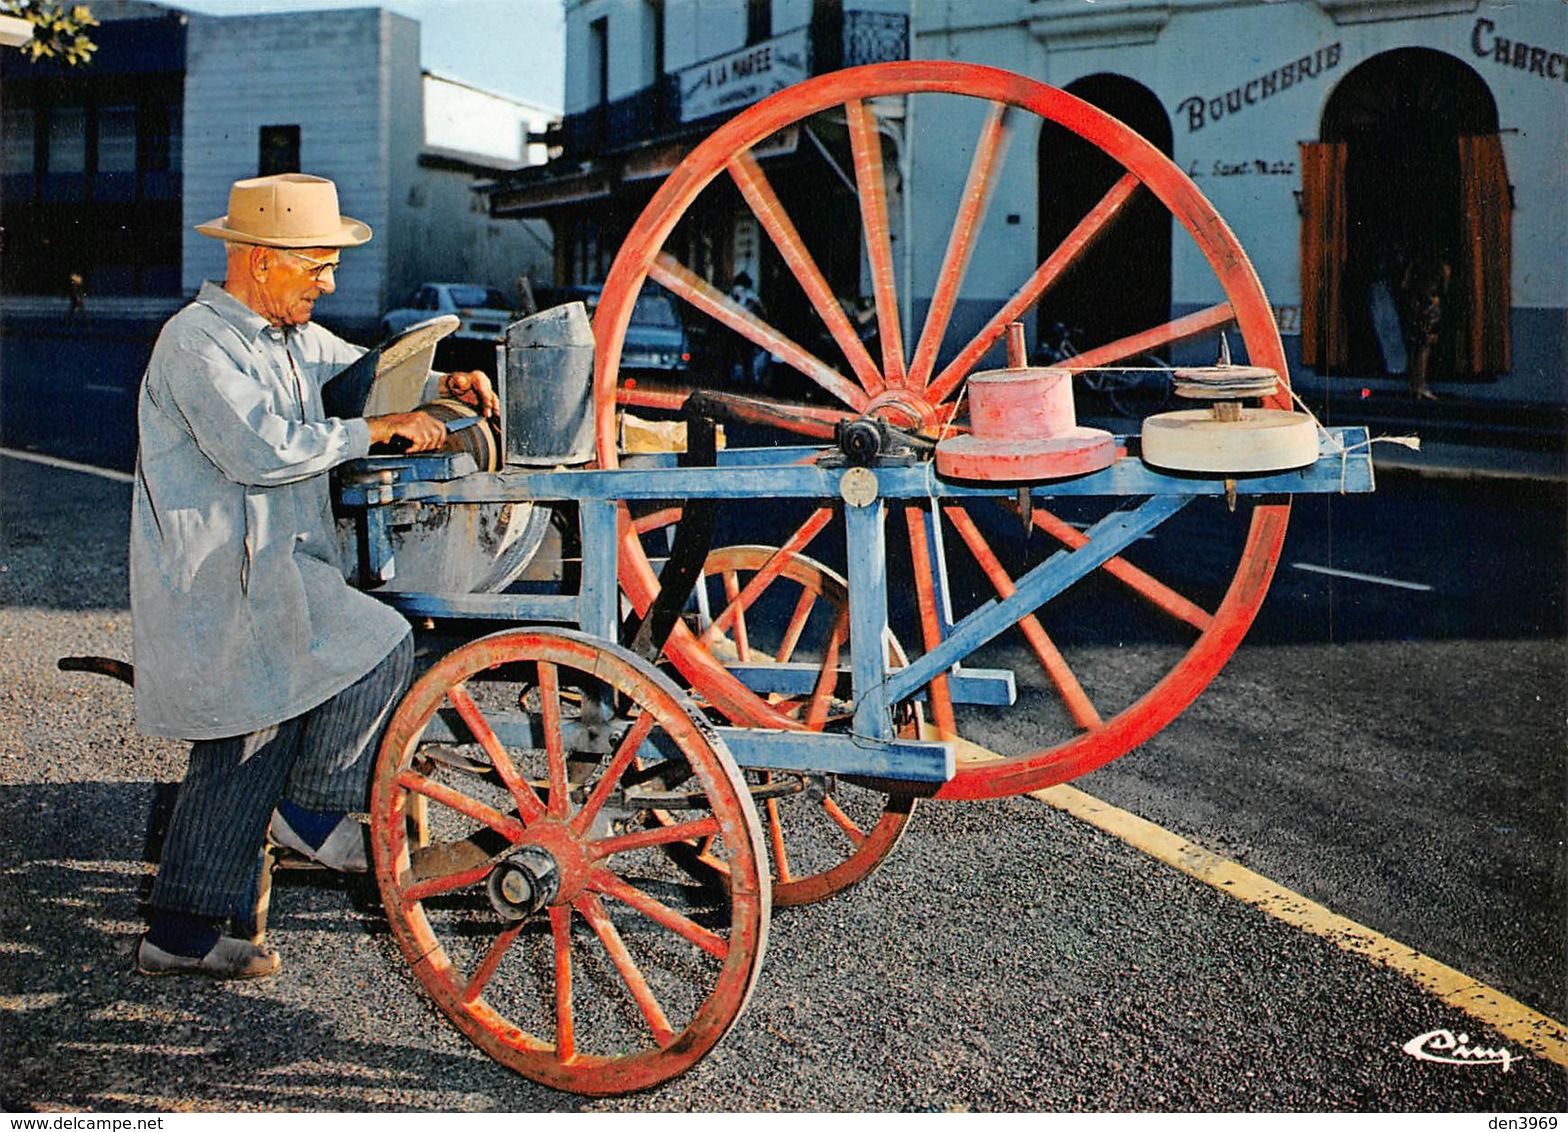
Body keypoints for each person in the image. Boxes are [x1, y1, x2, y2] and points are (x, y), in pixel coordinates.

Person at [129, 173, 497, 979]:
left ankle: (179, 940)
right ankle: (314, 808)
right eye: (317, 267)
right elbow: (260, 449)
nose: (328, 283)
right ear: (262, 261)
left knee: (245, 746)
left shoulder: (285, 336)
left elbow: (367, 372)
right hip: (217, 583)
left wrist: (443, 385)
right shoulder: (195, 341)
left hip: (269, 575)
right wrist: (376, 429)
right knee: (377, 641)